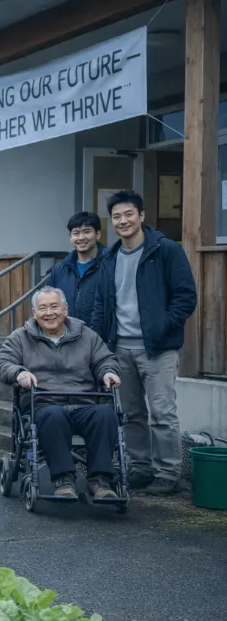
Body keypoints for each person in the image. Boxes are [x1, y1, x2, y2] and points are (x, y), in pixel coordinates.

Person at [90, 189, 197, 496]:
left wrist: (163, 326)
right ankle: (140, 467)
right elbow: (101, 304)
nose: (123, 221)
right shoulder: (109, 257)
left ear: (141, 216)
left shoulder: (165, 250)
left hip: (157, 348)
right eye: (116, 217)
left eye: (128, 214)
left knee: (163, 412)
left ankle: (168, 472)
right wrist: (100, 345)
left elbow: (186, 296)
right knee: (132, 413)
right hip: (120, 348)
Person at [0, 287, 123, 499]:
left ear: (65, 309)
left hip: (84, 402)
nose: (49, 313)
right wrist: (18, 373)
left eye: (54, 306)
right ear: (34, 312)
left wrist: (108, 372)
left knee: (106, 415)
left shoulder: (86, 335)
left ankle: (100, 480)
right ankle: (64, 479)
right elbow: (0, 362)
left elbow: (105, 359)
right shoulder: (21, 337)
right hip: (44, 403)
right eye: (42, 308)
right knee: (53, 415)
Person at [45, 211, 105, 321]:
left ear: (98, 234)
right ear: (70, 237)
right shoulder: (59, 270)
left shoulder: (110, 264)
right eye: (76, 233)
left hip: (101, 336)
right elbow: (48, 303)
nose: (81, 237)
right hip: (67, 334)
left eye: (86, 232)